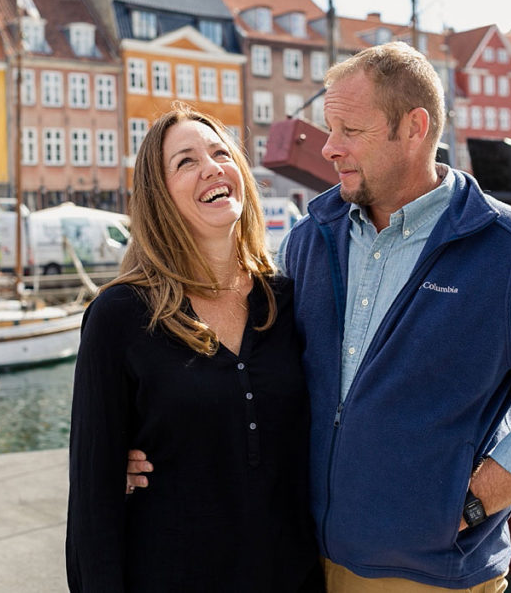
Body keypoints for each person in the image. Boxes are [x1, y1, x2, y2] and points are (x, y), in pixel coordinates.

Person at [128, 42, 511, 591]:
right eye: (329, 129)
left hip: (434, 577)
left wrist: (468, 506)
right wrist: (151, 447)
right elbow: (253, 380)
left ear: (414, 127)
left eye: (349, 131)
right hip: (301, 563)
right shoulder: (309, 240)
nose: (330, 149)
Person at [66, 105, 323, 592]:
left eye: (221, 152)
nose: (211, 166)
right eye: (185, 161)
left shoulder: (288, 302)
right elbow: (91, 505)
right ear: (158, 196)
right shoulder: (119, 316)